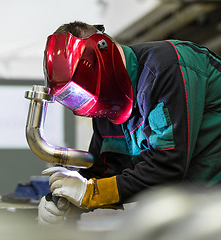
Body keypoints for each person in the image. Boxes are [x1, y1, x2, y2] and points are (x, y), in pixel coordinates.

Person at [38, 21, 221, 224]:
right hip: (187, 209)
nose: (86, 107)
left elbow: (168, 167)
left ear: (102, 53)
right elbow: (105, 169)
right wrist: (63, 200)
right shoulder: (107, 104)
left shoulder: (164, 69)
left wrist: (89, 192)